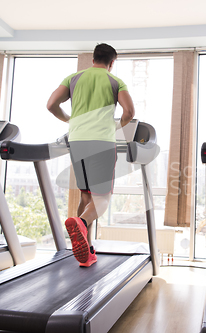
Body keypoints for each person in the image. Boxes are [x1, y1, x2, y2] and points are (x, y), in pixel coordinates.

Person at [47, 43, 135, 267]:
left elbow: (51, 104)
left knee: (86, 197)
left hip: (77, 140)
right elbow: (129, 112)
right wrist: (118, 125)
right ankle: (82, 222)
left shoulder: (73, 78)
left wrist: (68, 120)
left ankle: (86, 253)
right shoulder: (115, 82)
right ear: (111, 63)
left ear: (93, 58)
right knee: (103, 198)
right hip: (102, 141)